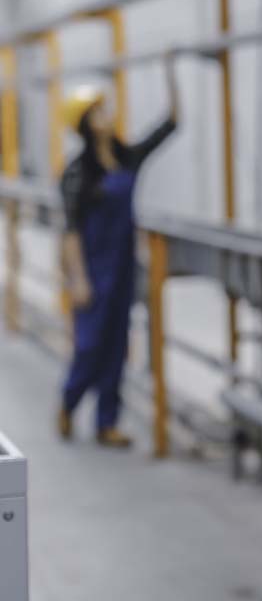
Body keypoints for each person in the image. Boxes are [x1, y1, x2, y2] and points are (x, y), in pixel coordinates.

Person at [58, 54, 179, 448]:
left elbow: (168, 127)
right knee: (90, 344)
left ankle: (106, 422)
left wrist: (171, 73)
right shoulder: (78, 172)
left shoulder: (126, 158)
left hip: (124, 266)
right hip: (93, 269)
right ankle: (69, 401)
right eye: (98, 112)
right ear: (85, 123)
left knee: (117, 347)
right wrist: (78, 279)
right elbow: (71, 230)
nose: (107, 116)